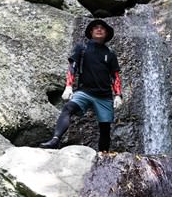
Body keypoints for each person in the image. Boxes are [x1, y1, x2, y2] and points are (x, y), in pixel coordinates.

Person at [40, 18, 123, 151]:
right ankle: (55, 139)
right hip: (84, 91)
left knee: (105, 127)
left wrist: (118, 95)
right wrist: (69, 86)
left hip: (104, 96)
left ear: (107, 33)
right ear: (91, 32)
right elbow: (72, 66)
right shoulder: (82, 48)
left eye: (102, 28)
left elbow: (115, 76)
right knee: (68, 108)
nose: (99, 29)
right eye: (96, 27)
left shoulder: (110, 54)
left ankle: (103, 156)